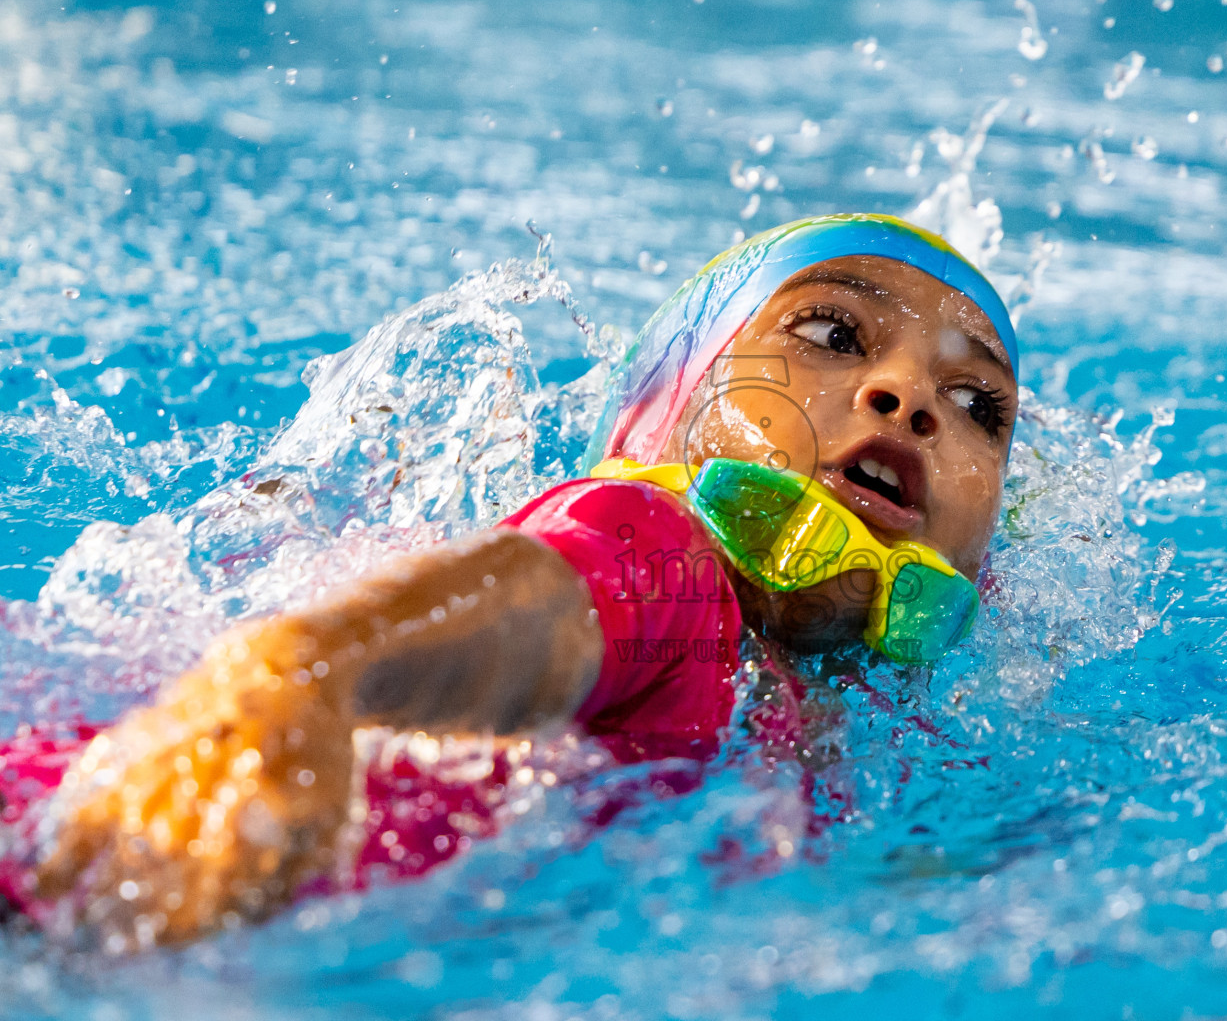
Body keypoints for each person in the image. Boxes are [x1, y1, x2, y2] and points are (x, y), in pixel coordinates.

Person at [0, 213, 1021, 949]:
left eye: (979, 402)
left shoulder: (860, 735)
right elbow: (539, 596)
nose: (907, 397)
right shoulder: (667, 557)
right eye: (834, 334)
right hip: (72, 879)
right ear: (655, 417)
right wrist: (304, 670)